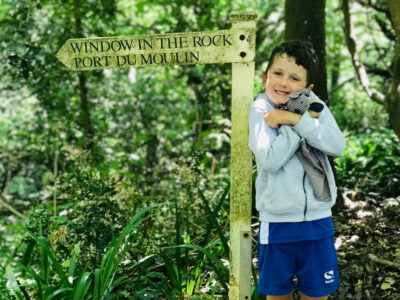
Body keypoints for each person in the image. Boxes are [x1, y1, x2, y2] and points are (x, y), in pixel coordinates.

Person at [248, 40, 345, 300]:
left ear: (307, 87)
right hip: (277, 223)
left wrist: (293, 118)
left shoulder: (314, 105)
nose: (283, 82)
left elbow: (337, 145)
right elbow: (269, 159)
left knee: (316, 294)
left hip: (318, 220)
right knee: (277, 295)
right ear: (265, 76)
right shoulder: (261, 109)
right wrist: (298, 124)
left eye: (294, 78)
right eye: (277, 73)